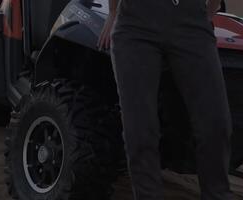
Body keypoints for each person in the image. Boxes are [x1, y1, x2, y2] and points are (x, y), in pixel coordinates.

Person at [98, 0, 232, 199]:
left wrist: (205, 14)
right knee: (141, 131)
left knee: (216, 124)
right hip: (135, 25)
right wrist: (113, 11)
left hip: (191, 20)